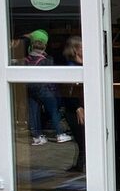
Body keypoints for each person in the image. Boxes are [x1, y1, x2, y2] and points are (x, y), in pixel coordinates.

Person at [24, 30, 72, 145]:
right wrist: (56, 93)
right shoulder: (47, 60)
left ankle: (37, 137)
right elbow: (52, 78)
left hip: (31, 90)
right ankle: (60, 134)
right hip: (45, 91)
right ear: (44, 47)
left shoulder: (26, 60)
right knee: (54, 111)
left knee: (34, 113)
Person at [63, 36, 86, 173]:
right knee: (82, 139)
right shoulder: (71, 67)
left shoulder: (85, 64)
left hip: (82, 106)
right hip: (74, 109)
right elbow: (68, 91)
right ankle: (80, 166)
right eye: (82, 47)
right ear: (76, 50)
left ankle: (80, 165)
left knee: (84, 138)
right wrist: (77, 107)